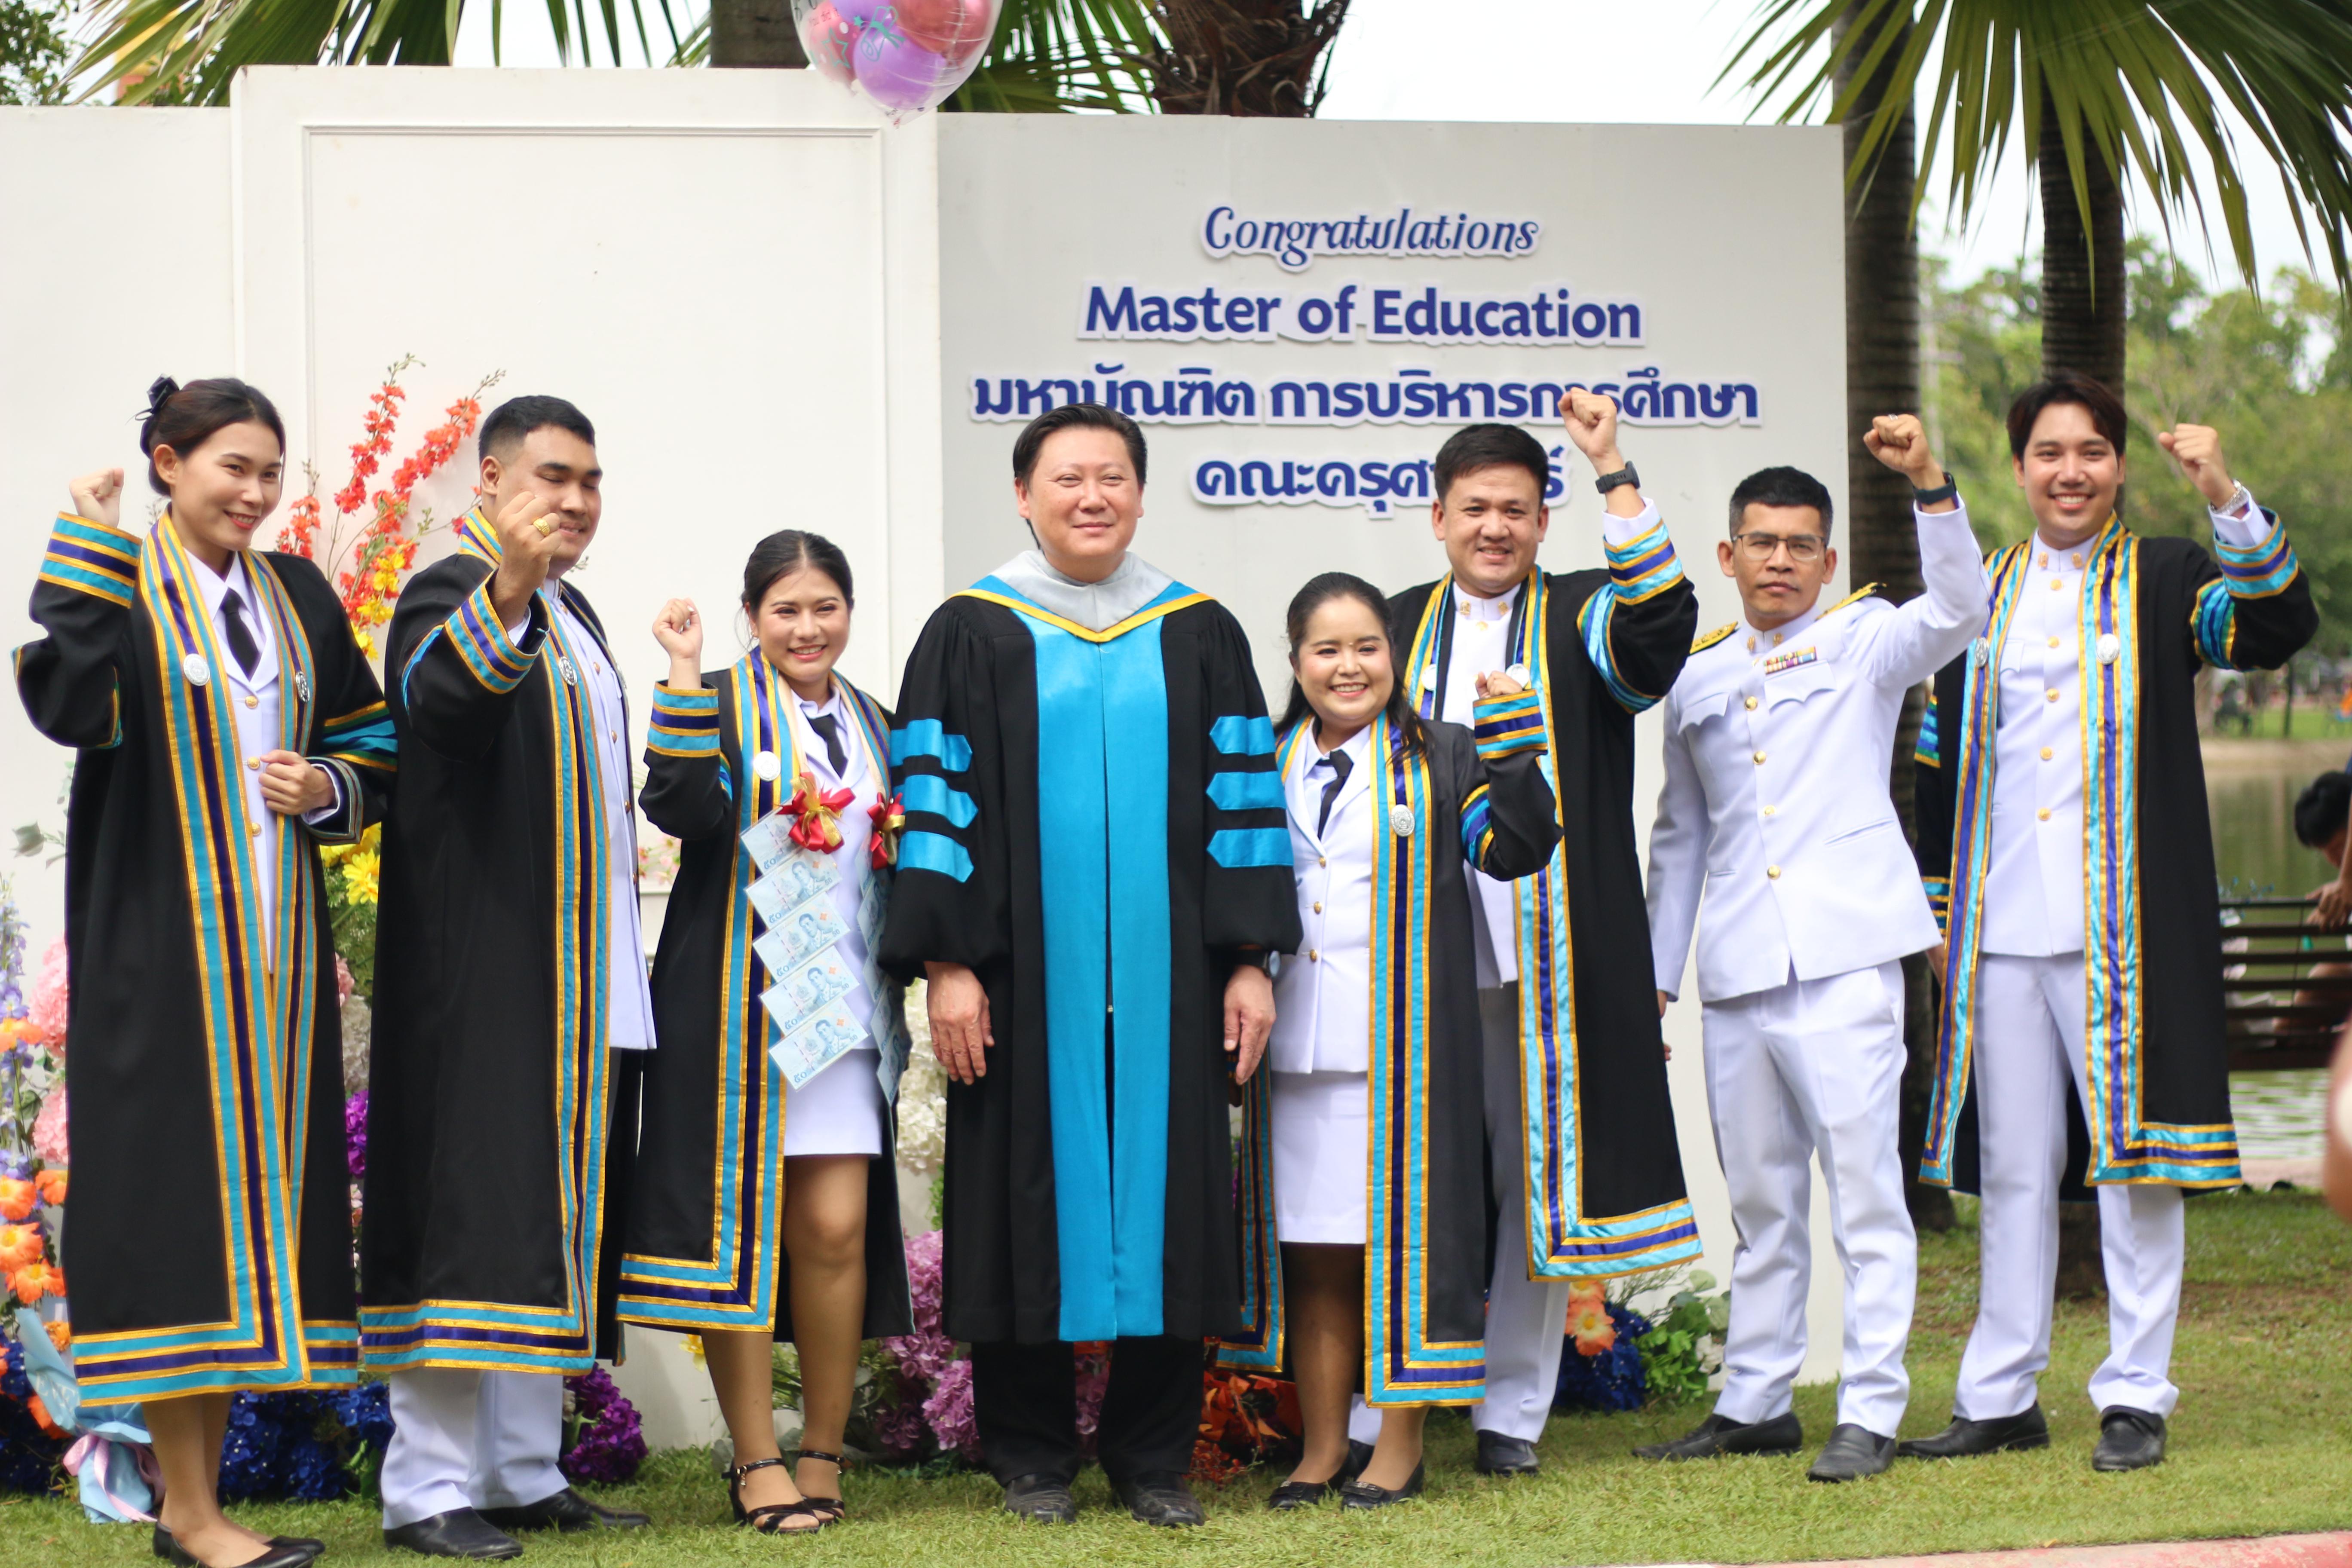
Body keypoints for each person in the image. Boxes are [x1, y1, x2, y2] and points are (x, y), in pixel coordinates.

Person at [877, 403, 1301, 1528]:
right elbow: (933, 808)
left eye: (1112, 477)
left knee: (1173, 1203)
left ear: (1141, 493)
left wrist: (1250, 960)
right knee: (1022, 1190)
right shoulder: (970, 629)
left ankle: (1154, 1457)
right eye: (1068, 478)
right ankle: (1029, 1456)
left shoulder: (1198, 631)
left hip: (1169, 986)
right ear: (1025, 494)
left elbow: (1243, 810)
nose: (1092, 496)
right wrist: (948, 964)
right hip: (1020, 982)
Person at [16, 377, 393, 1568]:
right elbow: (68, 702)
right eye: (232, 467)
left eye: (271, 473)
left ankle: (196, 1508)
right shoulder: (124, 585)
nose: (255, 492)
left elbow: (373, 738)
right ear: (169, 465)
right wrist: (84, 535)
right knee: (179, 1225)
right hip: (161, 968)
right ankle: (188, 1513)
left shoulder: (296, 594)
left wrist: (327, 789)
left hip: (276, 984)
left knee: (256, 1234)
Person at [1910, 374, 2316, 1471]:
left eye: (2092, 451)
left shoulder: (2174, 575)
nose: (2071, 471)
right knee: (2014, 1167)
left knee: (2137, 1167)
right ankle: (2000, 1392)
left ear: (2122, 466)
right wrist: (1944, 914)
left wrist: (2224, 489)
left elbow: (2274, 626)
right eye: (2050, 453)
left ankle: (2136, 1392)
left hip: (2124, 929)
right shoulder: (1978, 591)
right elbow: (1942, 765)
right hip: (2003, 926)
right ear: (2021, 467)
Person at [1638, 432, 1990, 1482]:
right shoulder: (1695, 678)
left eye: (1801, 545)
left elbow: (1963, 609)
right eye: (1761, 543)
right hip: (1739, 968)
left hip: (1843, 962)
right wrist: (1661, 978)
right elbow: (1683, 838)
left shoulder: (1866, 639)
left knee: (1866, 1196)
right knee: (1762, 1201)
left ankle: (1871, 1408)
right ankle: (1756, 1401)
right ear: (1726, 554)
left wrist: (1930, 486)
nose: (1780, 561)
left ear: (1830, 562)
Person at [1368, 396, 1700, 1477]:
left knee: (1532, 1181)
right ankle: (1388, 1411)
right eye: (1475, 509)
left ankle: (1511, 1412)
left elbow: (1662, 625)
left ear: (1544, 524)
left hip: (1548, 956)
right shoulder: (1393, 622)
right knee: (1408, 1176)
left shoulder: (1584, 617)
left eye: (1515, 509)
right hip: (1410, 956)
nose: (1495, 528)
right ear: (1438, 518)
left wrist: (1611, 466)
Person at [364, 396, 652, 1557]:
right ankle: (427, 1491)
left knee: (553, 1222)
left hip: (582, 974)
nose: (575, 500)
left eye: (590, 480)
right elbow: (441, 711)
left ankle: (525, 1469)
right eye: (552, 477)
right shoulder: (453, 593)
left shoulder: (576, 613)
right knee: (468, 1220)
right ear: (488, 483)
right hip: (484, 968)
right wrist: (512, 595)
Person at [1219, 573, 1558, 1510]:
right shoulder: (1265, 760)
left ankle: (1399, 1446)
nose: (1349, 666)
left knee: (1397, 1251)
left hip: (1405, 1056)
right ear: (1295, 662)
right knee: (1316, 1253)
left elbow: (1513, 850)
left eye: (1367, 646)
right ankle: (1322, 1449)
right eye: (1326, 650)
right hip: (1294, 1053)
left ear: (1394, 657)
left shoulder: (1442, 753)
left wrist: (1517, 751)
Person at [622, 531, 913, 1534]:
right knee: (742, 1239)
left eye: (825, 607)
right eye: (786, 610)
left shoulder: (877, 721)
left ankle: (824, 1449)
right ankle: (754, 1460)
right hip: (736, 1015)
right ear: (754, 616)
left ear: (848, 613)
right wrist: (683, 674)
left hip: (844, 1012)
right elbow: (681, 805)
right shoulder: (725, 705)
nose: (807, 627)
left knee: (834, 1233)